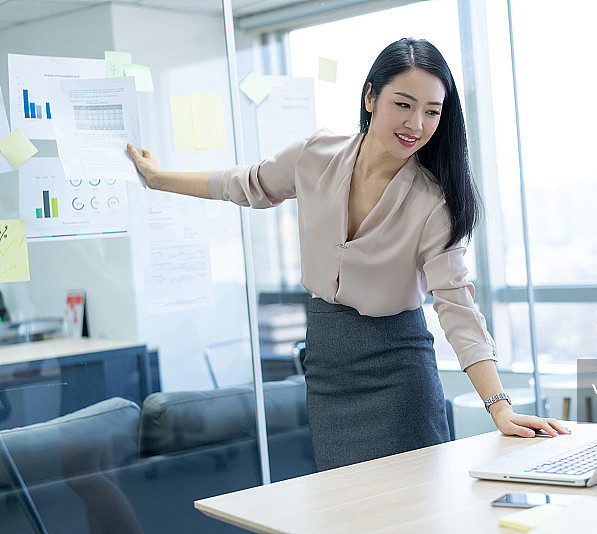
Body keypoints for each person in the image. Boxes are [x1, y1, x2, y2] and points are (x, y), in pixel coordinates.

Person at [127, 37, 570, 471]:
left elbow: (457, 306)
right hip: (329, 366)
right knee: (344, 512)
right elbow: (244, 184)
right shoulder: (315, 156)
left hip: (399, 372)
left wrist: (499, 408)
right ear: (370, 97)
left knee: (411, 511)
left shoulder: (435, 202)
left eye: (432, 111)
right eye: (403, 103)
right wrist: (158, 179)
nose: (416, 123)